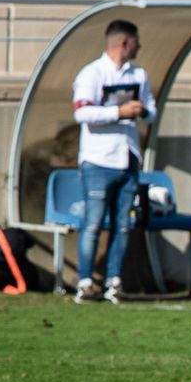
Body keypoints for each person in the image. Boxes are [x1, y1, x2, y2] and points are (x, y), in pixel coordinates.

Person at [70, 18, 157, 305]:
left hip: (128, 157)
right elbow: (82, 113)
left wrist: (141, 111)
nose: (139, 47)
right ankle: (85, 282)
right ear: (123, 42)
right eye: (136, 42)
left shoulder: (139, 74)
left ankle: (113, 283)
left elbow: (152, 111)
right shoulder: (92, 74)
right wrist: (119, 112)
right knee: (93, 223)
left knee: (123, 225)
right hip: (97, 160)